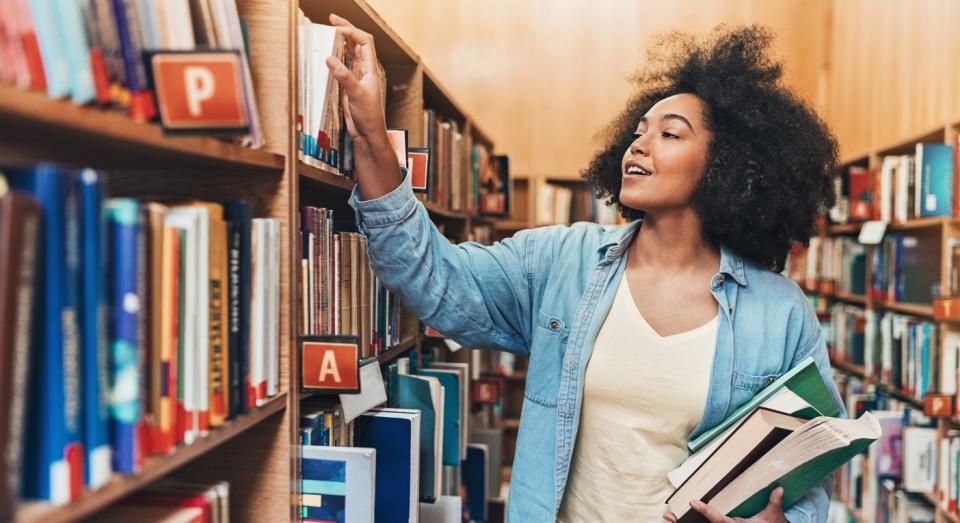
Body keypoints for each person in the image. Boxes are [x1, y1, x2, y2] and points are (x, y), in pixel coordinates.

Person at [326, 13, 843, 523]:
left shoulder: (780, 313)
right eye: (638, 131)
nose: (638, 144)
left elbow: (812, 467)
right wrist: (372, 133)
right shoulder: (562, 262)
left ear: (724, 166)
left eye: (671, 134)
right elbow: (433, 278)